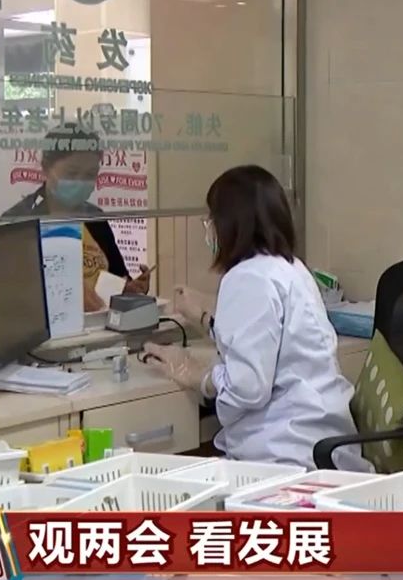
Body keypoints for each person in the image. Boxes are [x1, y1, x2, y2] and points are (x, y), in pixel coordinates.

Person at [143, 165, 372, 473]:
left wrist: (198, 375)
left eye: (211, 219)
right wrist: (206, 320)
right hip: (319, 439)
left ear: (228, 224)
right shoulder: (290, 268)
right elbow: (263, 342)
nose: (209, 229)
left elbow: (248, 388)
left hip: (286, 452)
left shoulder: (248, 277)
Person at [3, 126, 151, 310]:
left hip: (99, 324)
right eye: (72, 173)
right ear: (46, 169)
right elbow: (7, 296)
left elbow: (117, 276)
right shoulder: (18, 221)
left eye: (90, 175)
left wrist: (129, 290)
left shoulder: (95, 218)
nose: (81, 182)